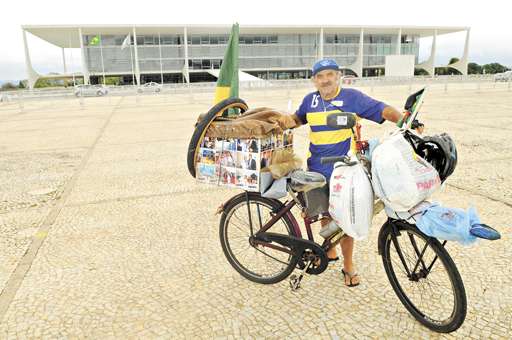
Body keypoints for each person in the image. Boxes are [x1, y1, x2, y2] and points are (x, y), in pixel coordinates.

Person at [291, 59, 413, 287]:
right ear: (314, 80)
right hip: (316, 168)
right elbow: (298, 118)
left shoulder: (352, 98)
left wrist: (404, 122)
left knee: (345, 218)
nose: (325, 79)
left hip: (343, 170)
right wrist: (280, 121)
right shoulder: (310, 100)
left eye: (329, 74)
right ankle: (331, 251)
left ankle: (348, 265)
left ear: (338, 76)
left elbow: (381, 109)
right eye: (320, 76)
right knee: (324, 214)